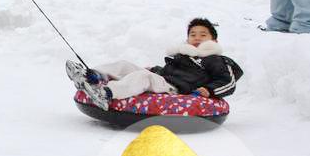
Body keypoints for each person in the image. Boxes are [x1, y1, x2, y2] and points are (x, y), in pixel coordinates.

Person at [68, 19, 243, 106]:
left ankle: (106, 93)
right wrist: (155, 70)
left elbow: (227, 81)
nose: (197, 38)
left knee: (143, 77)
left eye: (203, 35)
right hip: (165, 80)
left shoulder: (214, 59)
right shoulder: (183, 55)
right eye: (193, 35)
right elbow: (170, 73)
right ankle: (91, 75)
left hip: (178, 89)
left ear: (214, 41)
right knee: (125, 65)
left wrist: (209, 90)